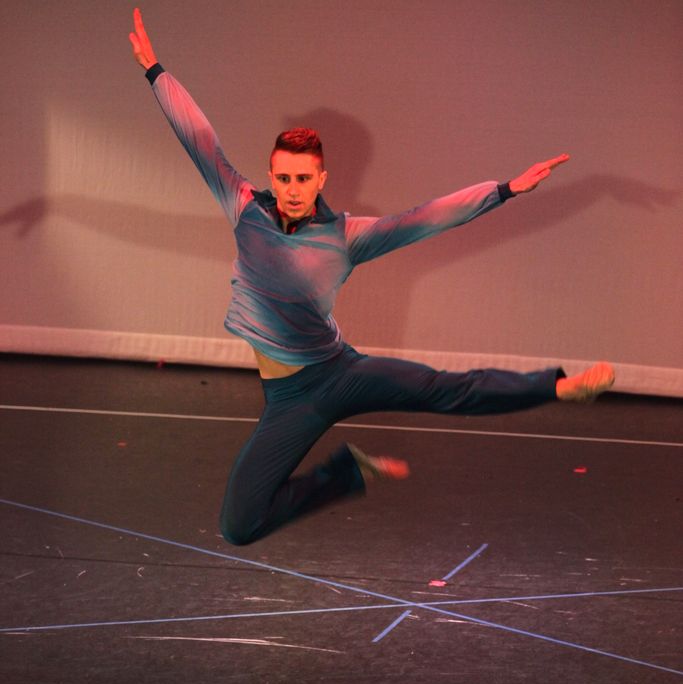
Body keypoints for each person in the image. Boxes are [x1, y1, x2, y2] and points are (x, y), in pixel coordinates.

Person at [129, 9, 615, 546]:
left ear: (321, 179)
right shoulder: (244, 207)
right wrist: (156, 72)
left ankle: (559, 386)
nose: (292, 189)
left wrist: (504, 190)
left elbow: (426, 218)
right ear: (271, 175)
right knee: (238, 525)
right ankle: (348, 474)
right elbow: (199, 138)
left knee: (443, 389)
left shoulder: (345, 236)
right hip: (289, 399)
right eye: (284, 177)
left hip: (341, 373)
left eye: (303, 179)